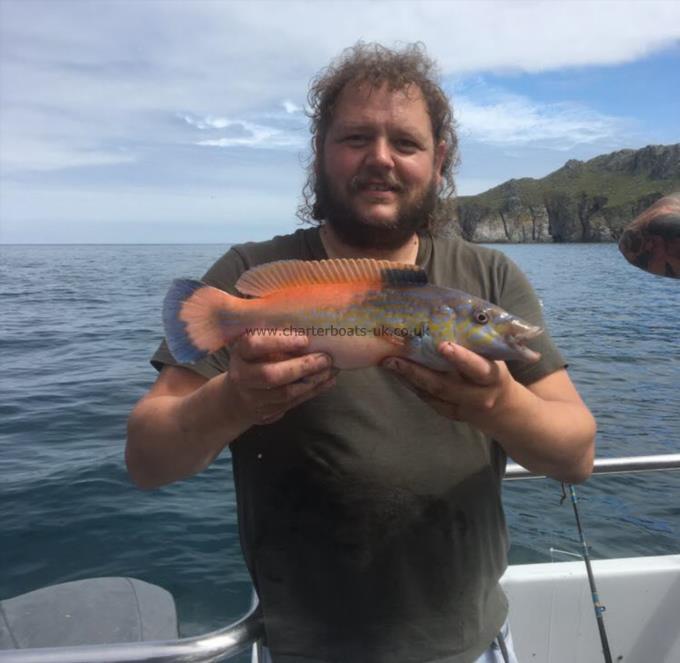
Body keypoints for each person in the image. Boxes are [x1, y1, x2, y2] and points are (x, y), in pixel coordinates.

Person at [126, 42, 596, 663]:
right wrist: (232, 399)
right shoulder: (250, 271)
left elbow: (577, 453)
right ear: (321, 151)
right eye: (355, 138)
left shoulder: (488, 277)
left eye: (405, 142)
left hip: (469, 643)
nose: (381, 159)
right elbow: (146, 461)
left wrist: (498, 403)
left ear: (439, 157)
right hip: (305, 649)